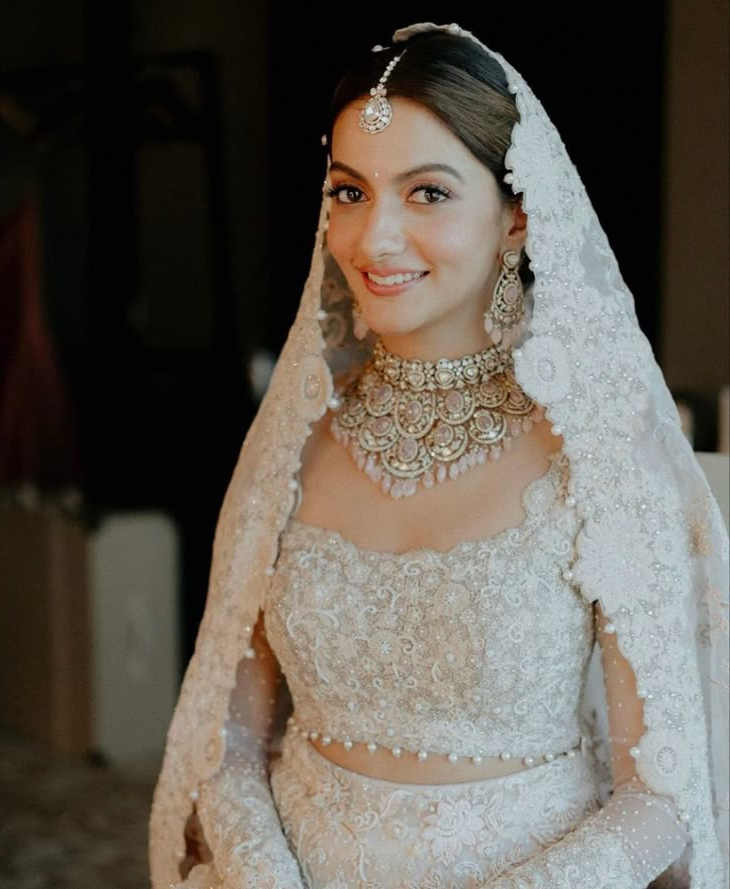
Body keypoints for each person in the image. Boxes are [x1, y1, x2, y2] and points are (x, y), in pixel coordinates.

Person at [148, 22, 729, 889]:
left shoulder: (598, 458)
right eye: (350, 192)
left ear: (516, 217)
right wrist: (266, 877)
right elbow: (228, 739)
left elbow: (663, 797)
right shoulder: (293, 445)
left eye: (427, 193)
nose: (374, 239)